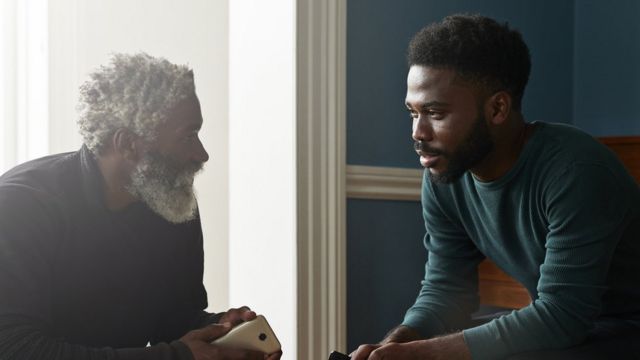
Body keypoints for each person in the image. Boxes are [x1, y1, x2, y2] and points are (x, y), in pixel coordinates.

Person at [351, 14, 640, 360]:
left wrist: (423, 354)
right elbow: (446, 292)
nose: (418, 132)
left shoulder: (576, 170)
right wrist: (398, 342)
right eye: (414, 113)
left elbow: (562, 316)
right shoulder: (445, 176)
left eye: (435, 113)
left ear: (497, 108)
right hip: (579, 326)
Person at [0, 53, 281, 360]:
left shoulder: (172, 203)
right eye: (188, 136)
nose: (202, 154)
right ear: (128, 144)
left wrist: (218, 328)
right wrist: (177, 357)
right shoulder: (20, 205)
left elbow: (170, 319)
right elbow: (14, 348)